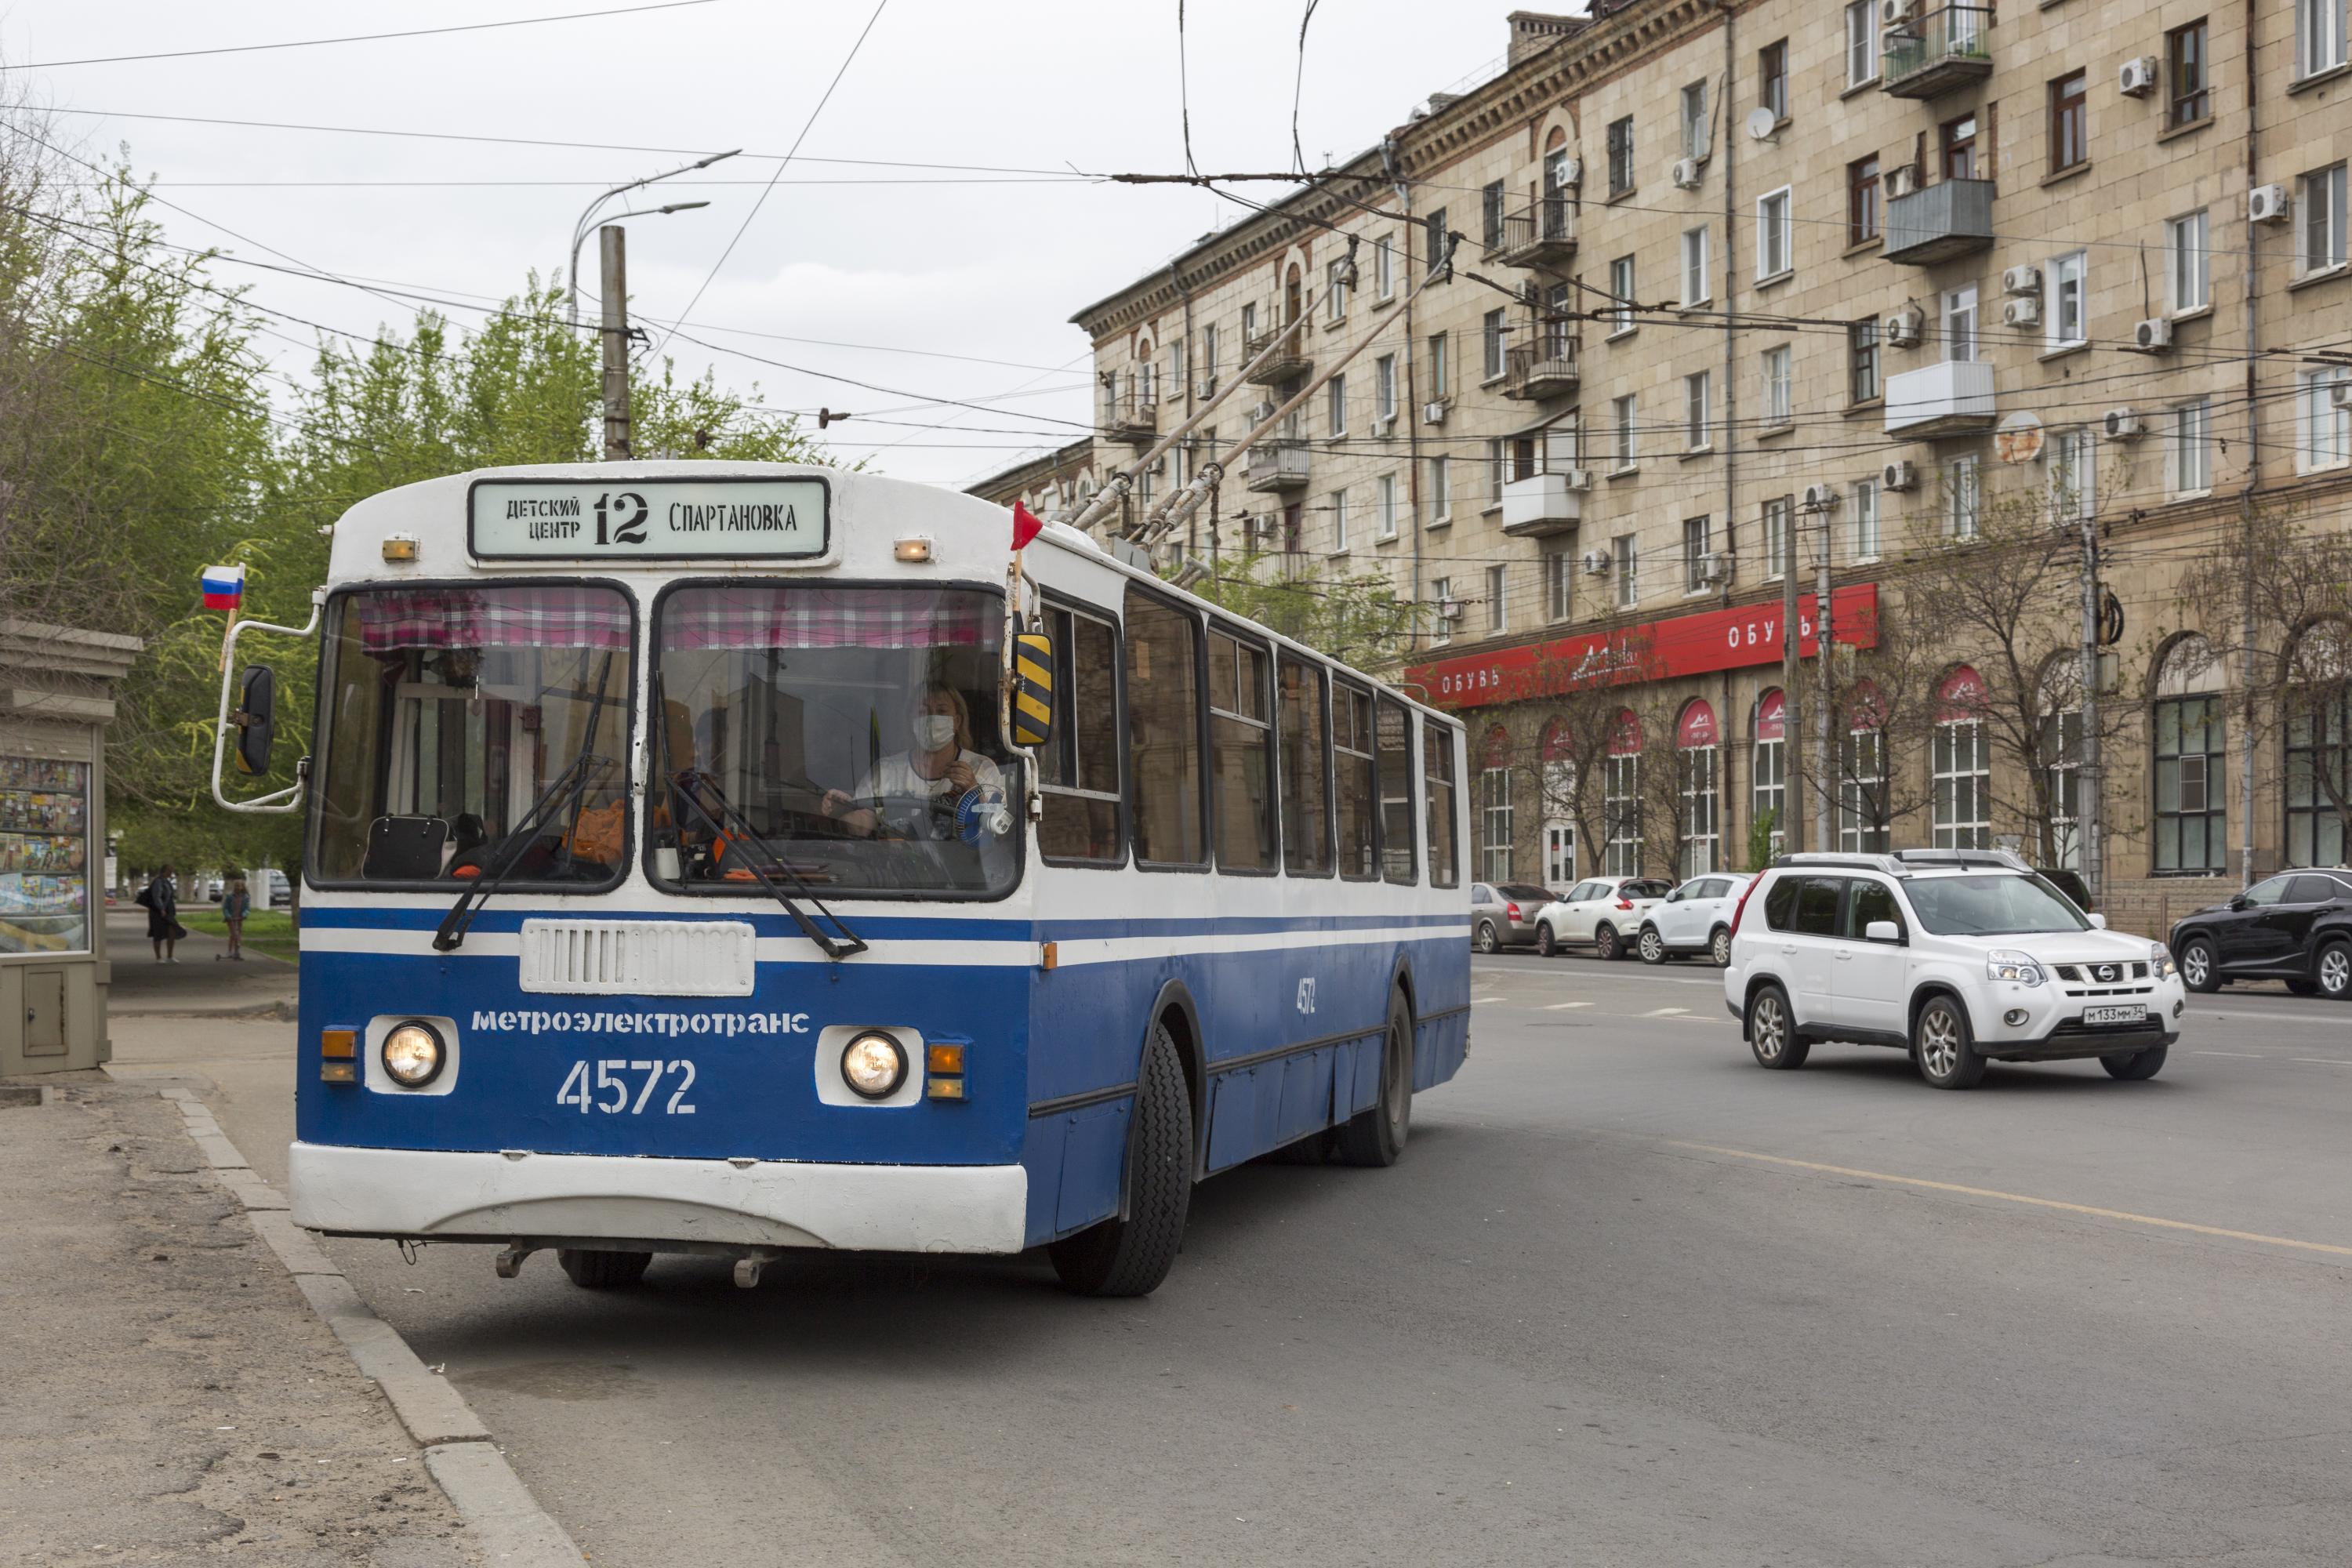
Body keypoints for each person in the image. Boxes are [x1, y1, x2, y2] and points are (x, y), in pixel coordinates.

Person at [821, 684, 1004, 840]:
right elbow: (861, 826)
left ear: (957, 721)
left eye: (941, 711)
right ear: (911, 720)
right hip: (900, 872)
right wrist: (843, 811)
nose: (932, 718)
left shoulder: (982, 768)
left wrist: (974, 790)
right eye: (923, 711)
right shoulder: (887, 770)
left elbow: (998, 827)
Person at [142, 864, 180, 963]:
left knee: (172, 932)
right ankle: (158, 957)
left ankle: (170, 956)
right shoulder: (158, 882)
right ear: (165, 871)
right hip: (158, 911)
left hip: (169, 910)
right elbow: (157, 896)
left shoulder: (167, 881)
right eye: (170, 870)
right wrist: (161, 909)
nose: (172, 873)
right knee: (158, 933)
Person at [220, 876, 250, 961]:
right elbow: (225, 908)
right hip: (231, 918)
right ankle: (230, 951)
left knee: (239, 933)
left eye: (239, 886)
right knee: (234, 934)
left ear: (242, 887)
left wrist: (244, 914)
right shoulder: (230, 896)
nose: (238, 888)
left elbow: (247, 909)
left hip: (240, 918)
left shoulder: (246, 897)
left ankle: (237, 951)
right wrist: (227, 915)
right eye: (236, 886)